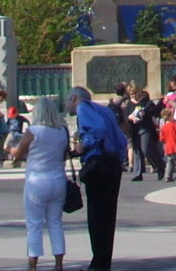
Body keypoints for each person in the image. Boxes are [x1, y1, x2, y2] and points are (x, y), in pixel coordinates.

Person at [7, 94, 71, 270]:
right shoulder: (63, 131)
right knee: (55, 222)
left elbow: (18, 152)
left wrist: (8, 147)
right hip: (58, 179)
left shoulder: (33, 131)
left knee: (34, 224)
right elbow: (64, 155)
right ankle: (58, 263)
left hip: (37, 180)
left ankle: (33, 264)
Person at [69, 88, 126, 271]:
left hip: (98, 162)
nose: (66, 105)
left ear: (74, 98)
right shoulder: (104, 110)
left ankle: (98, 263)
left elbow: (97, 129)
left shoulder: (83, 108)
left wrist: (83, 145)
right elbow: (121, 138)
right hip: (113, 162)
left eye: (68, 100)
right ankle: (103, 262)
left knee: (96, 216)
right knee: (109, 215)